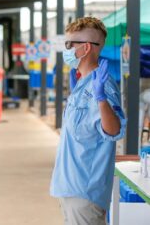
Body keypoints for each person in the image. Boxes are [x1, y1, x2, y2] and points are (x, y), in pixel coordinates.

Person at [50, 17, 127, 225]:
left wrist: (101, 99)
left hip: (85, 190)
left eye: (69, 45)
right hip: (69, 187)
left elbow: (114, 130)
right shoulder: (82, 84)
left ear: (85, 48)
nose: (66, 50)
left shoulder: (102, 86)